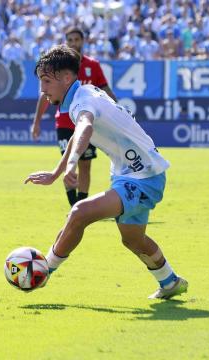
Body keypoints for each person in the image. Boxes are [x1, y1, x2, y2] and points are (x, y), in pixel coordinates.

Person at [25, 45, 188, 300]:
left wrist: (72, 164)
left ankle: (44, 271)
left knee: (80, 213)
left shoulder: (84, 101)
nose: (42, 89)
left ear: (67, 78)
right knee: (133, 240)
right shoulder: (85, 92)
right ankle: (170, 282)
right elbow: (77, 134)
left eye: (46, 81)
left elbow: (85, 128)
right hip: (129, 174)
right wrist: (57, 172)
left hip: (144, 177)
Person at [31, 28, 117, 208]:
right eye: (70, 40)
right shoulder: (57, 68)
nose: (73, 43)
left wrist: (118, 109)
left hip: (87, 120)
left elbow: (104, 89)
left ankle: (81, 204)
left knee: (85, 165)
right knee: (71, 162)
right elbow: (44, 96)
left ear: (82, 41)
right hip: (65, 122)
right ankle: (74, 207)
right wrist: (36, 122)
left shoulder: (92, 66)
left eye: (76, 39)